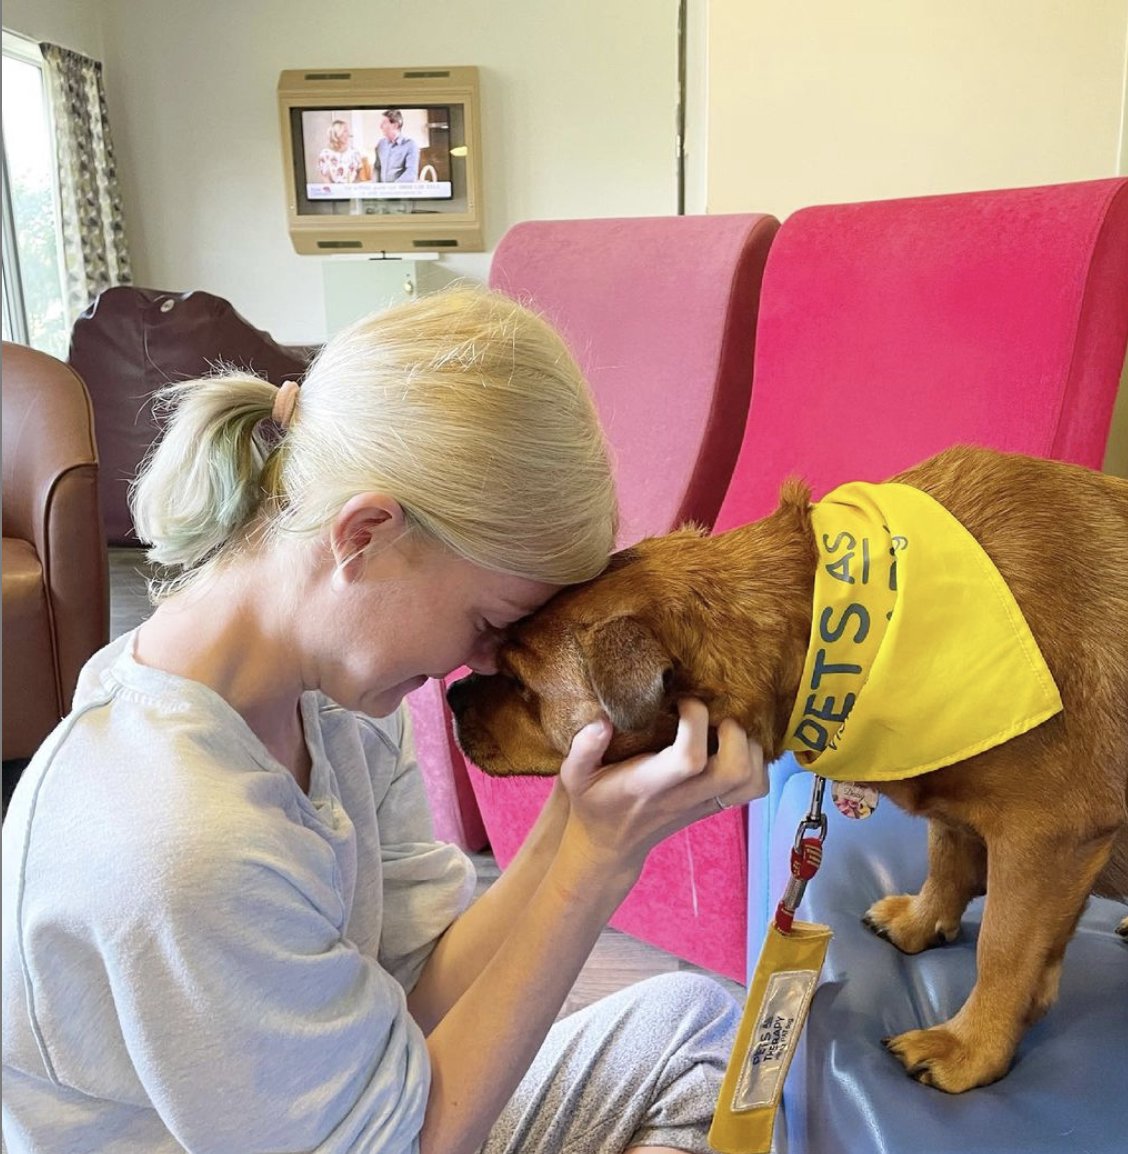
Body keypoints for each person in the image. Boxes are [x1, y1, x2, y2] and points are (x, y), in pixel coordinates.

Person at [1, 286, 767, 1154]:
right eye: (487, 622)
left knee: (711, 1035)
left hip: (354, 1119)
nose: (482, 664)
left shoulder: (339, 703)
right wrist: (593, 866)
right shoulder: (176, 842)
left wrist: (570, 823)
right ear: (366, 533)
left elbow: (411, 993)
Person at [318, 118, 371, 184]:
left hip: (352, 192)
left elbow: (359, 177)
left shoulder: (355, 153)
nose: (348, 134)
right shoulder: (325, 154)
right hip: (333, 192)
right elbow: (325, 177)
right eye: (345, 131)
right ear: (337, 134)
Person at [375, 108, 420, 183]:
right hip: (382, 192)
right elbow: (377, 168)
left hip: (401, 192)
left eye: (384, 123)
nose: (380, 126)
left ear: (395, 125)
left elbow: (411, 173)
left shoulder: (410, 145)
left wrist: (394, 188)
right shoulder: (381, 144)